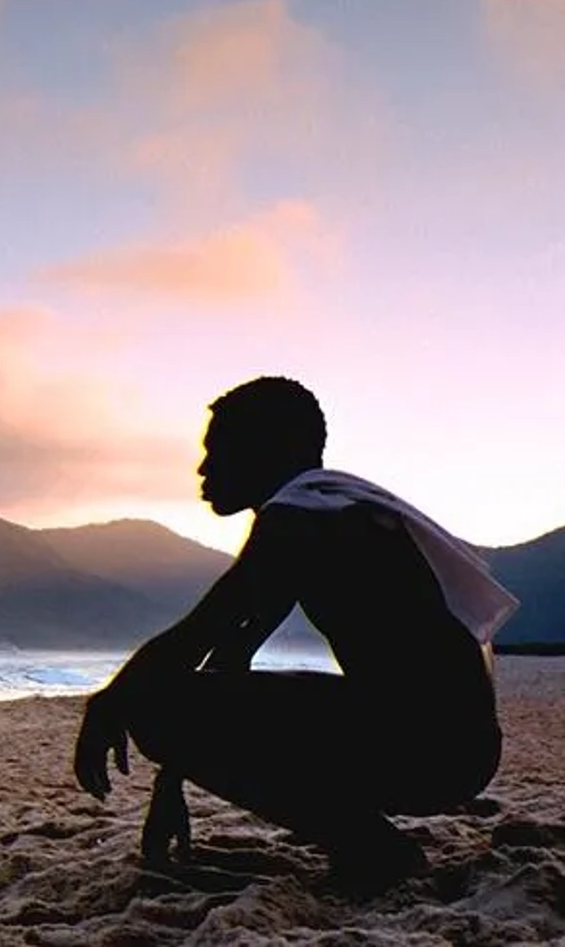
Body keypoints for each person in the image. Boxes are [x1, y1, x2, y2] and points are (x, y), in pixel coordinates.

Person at [73, 377, 516, 887]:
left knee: (150, 703)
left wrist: (108, 704)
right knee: (167, 697)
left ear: (270, 448)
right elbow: (229, 653)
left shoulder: (302, 521)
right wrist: (169, 782)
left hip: (429, 750)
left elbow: (190, 640)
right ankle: (366, 840)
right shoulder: (330, 507)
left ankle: (373, 848)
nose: (203, 468)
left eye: (218, 450)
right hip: (459, 748)